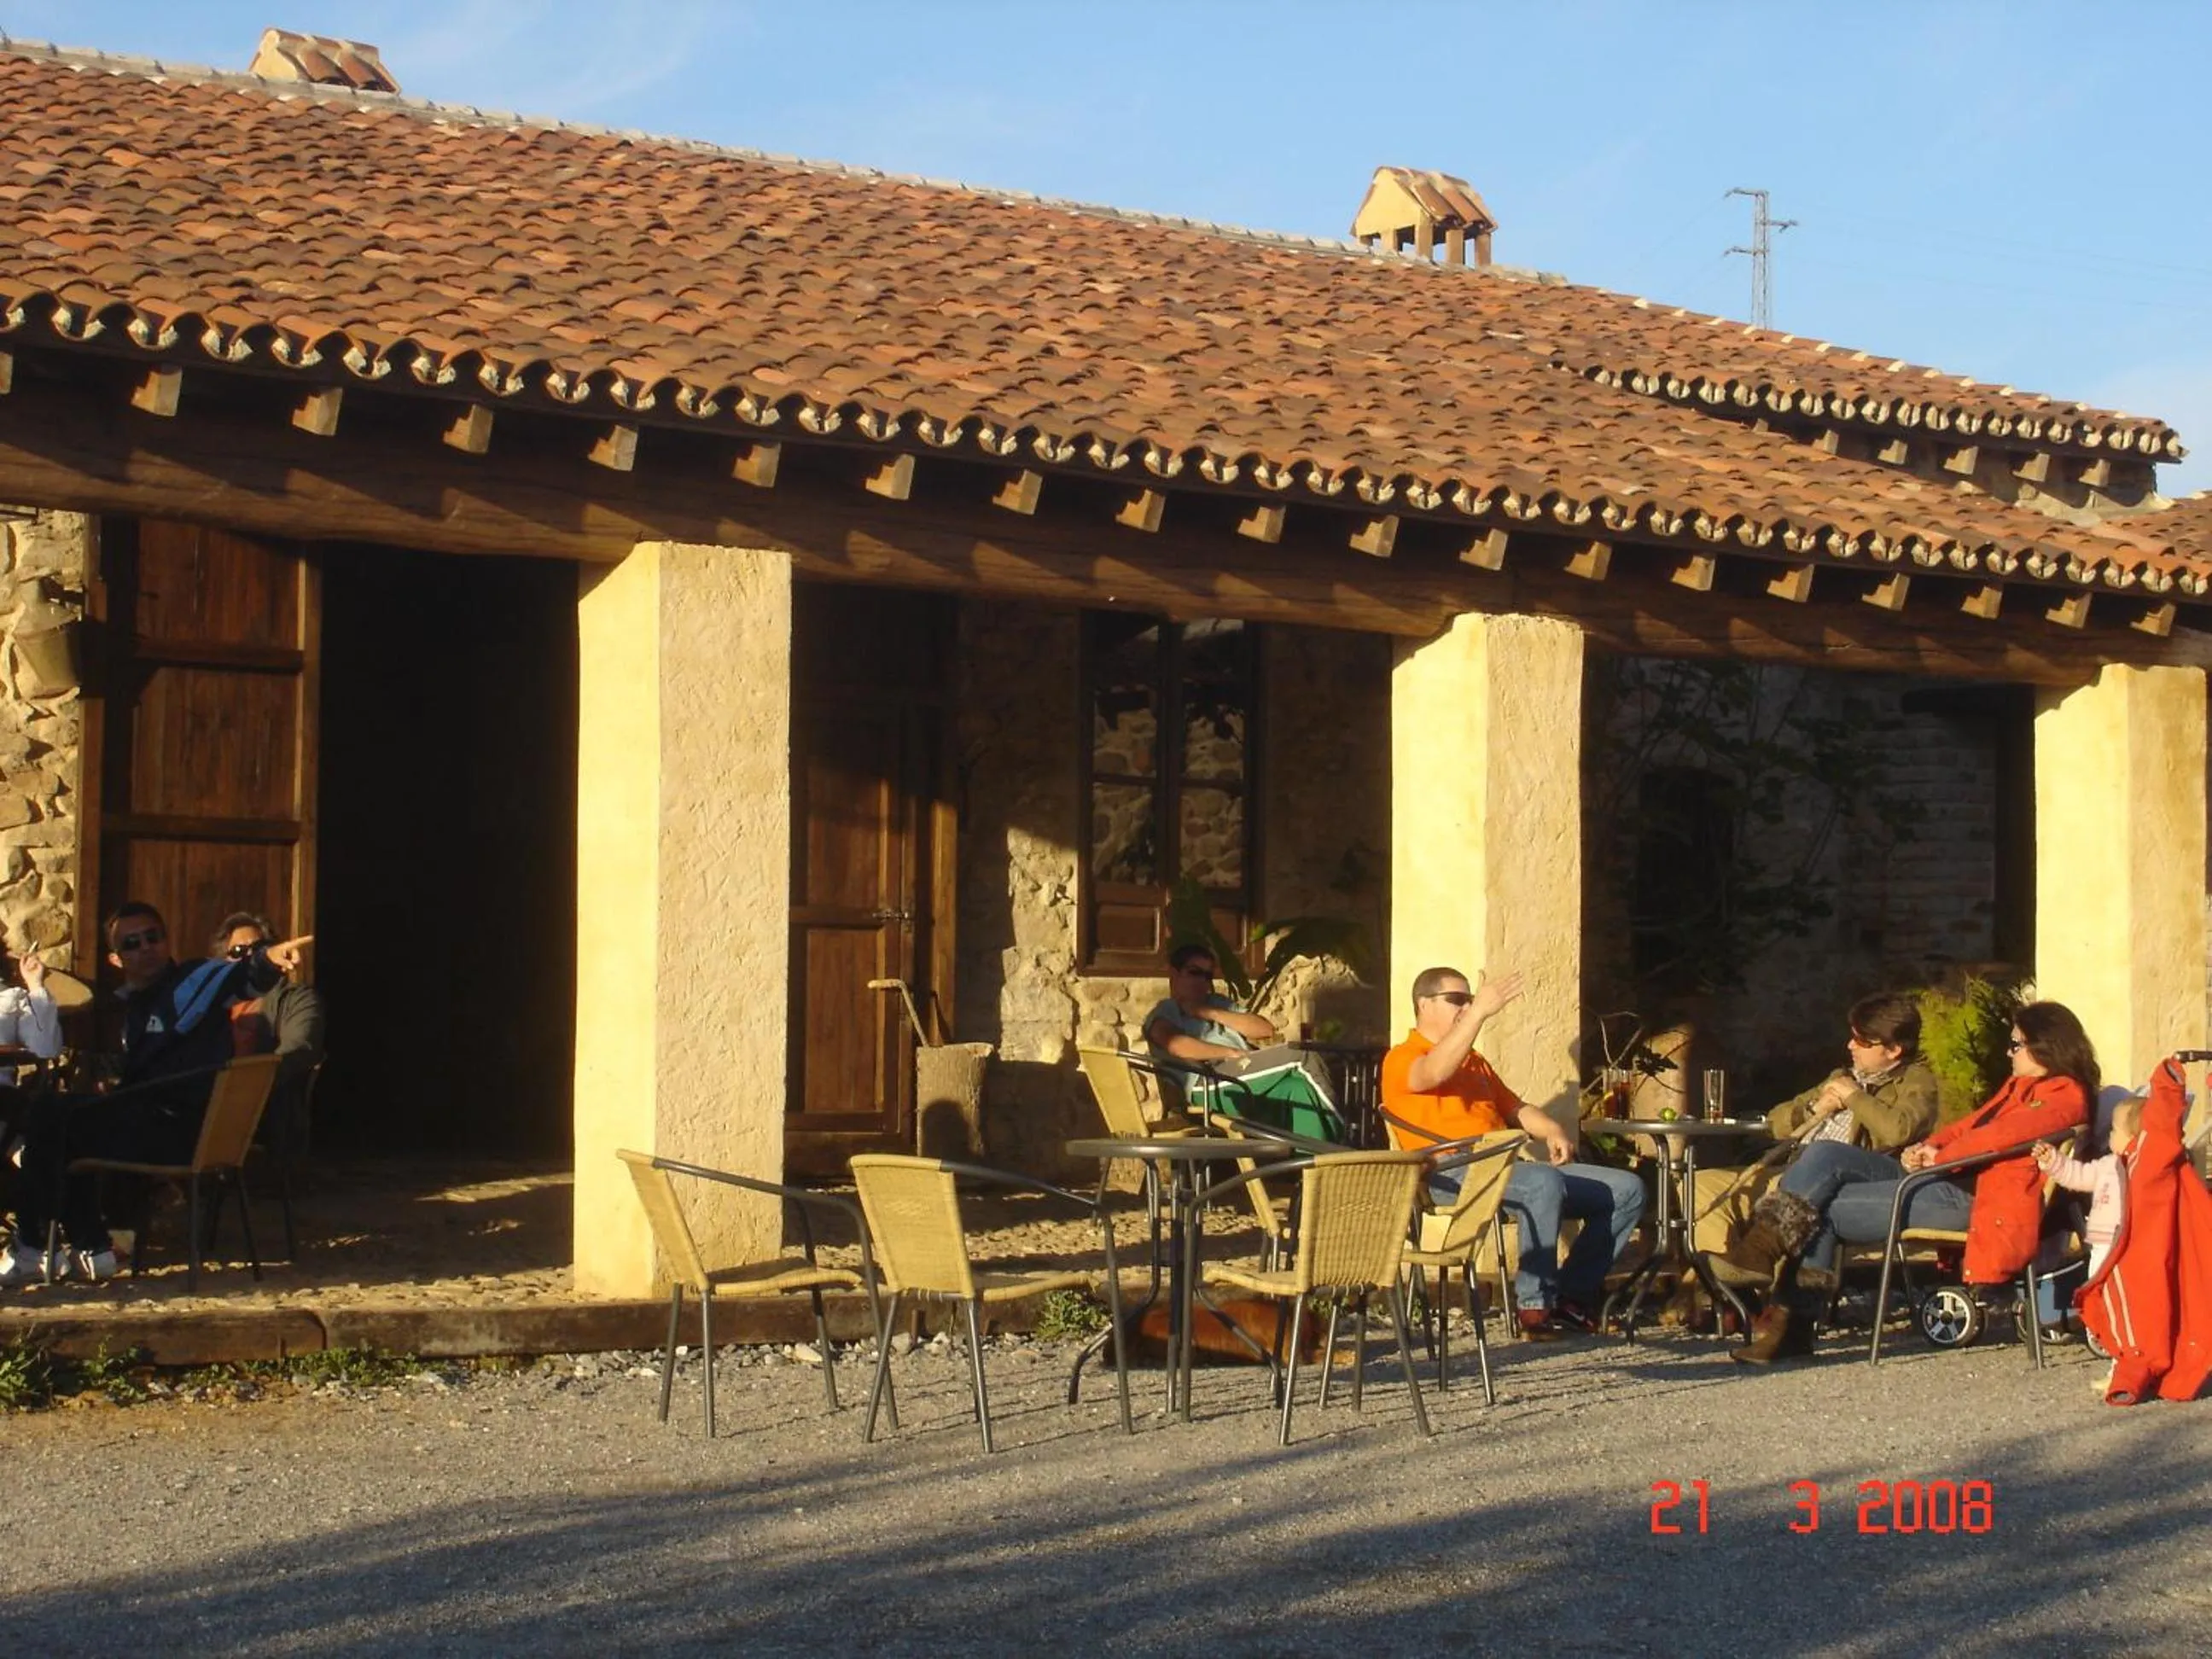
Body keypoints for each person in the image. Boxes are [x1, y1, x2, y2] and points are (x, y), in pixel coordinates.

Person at [1721, 999, 2094, 1365]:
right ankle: (1761, 1254)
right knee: (1824, 1154)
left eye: (2015, 1044)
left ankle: (1791, 1323)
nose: (2008, 1051)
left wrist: (1943, 1157)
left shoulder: (2063, 1094)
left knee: (1821, 1207)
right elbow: (1970, 1126)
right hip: (1940, 1178)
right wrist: (1929, 1146)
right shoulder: (2020, 1087)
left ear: (2046, 1047)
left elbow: (2004, 1135)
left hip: (1973, 1199)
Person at [1, 900, 310, 1287]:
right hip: (155, 1122)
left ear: (166, 941)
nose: (145, 947)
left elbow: (244, 976)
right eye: (132, 943)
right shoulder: (130, 1006)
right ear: (117, 959)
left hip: (182, 1132)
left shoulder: (196, 979)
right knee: (57, 1122)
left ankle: (39, 1245)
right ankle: (86, 1247)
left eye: (153, 937)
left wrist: (269, 958)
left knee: (53, 1116)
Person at [1381, 964, 1647, 1339]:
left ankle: (1570, 1299)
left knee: (1626, 1189)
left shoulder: (1474, 1062)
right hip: (1450, 1172)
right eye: (1456, 999)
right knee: (1542, 1180)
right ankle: (1534, 1308)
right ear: (1424, 1004)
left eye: (1469, 999)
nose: (1466, 1005)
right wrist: (1478, 1013)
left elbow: (1515, 1109)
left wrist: (1552, 1129)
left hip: (1505, 1169)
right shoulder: (1402, 1057)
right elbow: (1433, 1073)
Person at [1693, 993, 1940, 1256]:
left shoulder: (1916, 1081)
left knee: (1821, 1156)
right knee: (1702, 1184)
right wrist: (1814, 1109)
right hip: (1793, 1165)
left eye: (1861, 1041)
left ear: (1893, 1050)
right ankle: (1722, 1279)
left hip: (1841, 1175)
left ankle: (1752, 1260)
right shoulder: (1841, 1077)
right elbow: (1775, 1121)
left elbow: (1899, 1129)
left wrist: (1854, 1097)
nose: (1850, 1046)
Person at [2079, 1058, 2212, 1406]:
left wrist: (2166, 1082)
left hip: (2141, 1257)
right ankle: (2136, 1372)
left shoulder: (2149, 1159)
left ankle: (2131, 1377)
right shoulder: (2124, 1164)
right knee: (2136, 1318)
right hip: (2130, 1251)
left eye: (2114, 1131)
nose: (2109, 1138)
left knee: (2138, 1325)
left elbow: (2162, 1122)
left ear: (2134, 1137)